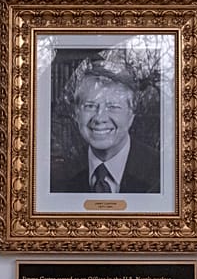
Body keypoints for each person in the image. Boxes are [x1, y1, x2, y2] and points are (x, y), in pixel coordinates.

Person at [52, 56, 160, 193]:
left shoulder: (163, 173)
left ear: (131, 114)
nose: (99, 118)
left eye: (113, 106)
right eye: (90, 106)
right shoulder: (57, 178)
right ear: (77, 112)